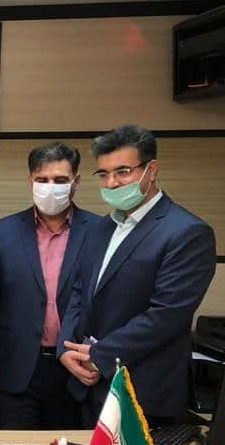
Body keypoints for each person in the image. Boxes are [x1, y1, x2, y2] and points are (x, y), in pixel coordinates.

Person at [59, 125, 216, 424]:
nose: (112, 183)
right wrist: (65, 348)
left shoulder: (187, 232)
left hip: (142, 391)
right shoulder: (100, 228)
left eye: (123, 172)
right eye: (103, 174)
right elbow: (79, 290)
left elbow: (166, 315)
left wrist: (99, 356)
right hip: (87, 387)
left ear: (151, 170)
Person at [0, 142, 102, 429]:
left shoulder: (100, 231)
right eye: (43, 179)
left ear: (76, 182)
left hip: (76, 370)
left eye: (60, 180)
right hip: (16, 371)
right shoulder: (3, 232)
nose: (50, 187)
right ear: (30, 181)